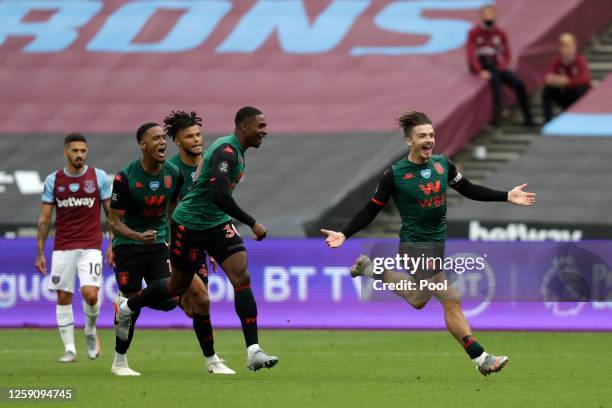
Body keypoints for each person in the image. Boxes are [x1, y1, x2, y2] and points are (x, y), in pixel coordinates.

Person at [321, 111, 536, 376]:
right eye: (422, 135)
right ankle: (480, 358)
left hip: (437, 245)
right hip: (413, 247)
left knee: (417, 298)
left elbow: (468, 189)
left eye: (432, 135)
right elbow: (371, 209)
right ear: (409, 141)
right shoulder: (395, 174)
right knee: (451, 298)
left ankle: (371, 269)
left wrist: (506, 196)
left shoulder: (442, 164)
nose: (429, 139)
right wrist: (345, 233)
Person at [114, 107, 278, 372]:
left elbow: (217, 200)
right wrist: (252, 222)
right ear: (243, 126)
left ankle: (253, 351)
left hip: (216, 223)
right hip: (189, 225)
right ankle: (129, 306)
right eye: (260, 126)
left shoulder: (235, 152)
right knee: (176, 289)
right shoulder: (225, 151)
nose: (265, 131)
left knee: (241, 276)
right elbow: (219, 196)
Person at [109, 122, 234, 376]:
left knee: (170, 300)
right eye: (155, 139)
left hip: (159, 245)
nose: (161, 142)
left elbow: (174, 211)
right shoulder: (125, 177)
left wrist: (181, 241)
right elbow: (113, 222)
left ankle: (128, 304)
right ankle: (119, 362)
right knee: (132, 314)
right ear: (143, 145)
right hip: (128, 248)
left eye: (163, 138)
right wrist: (136, 235)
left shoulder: (173, 174)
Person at [36, 133, 112, 363]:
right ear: (66, 152)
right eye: (75, 150)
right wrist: (40, 251)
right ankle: (70, 349)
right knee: (63, 296)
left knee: (90, 295)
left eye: (83, 151)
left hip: (91, 245)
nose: (79, 155)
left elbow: (111, 215)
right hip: (63, 246)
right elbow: (45, 219)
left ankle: (90, 329)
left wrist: (113, 244)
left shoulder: (98, 177)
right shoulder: (54, 180)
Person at [467, 4, 535, 127]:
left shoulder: (500, 33)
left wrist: (501, 67)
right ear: (482, 16)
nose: (489, 17)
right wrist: (479, 70)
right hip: (484, 65)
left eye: (491, 14)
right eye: (486, 14)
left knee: (518, 84)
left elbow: (507, 54)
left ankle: (528, 118)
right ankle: (497, 116)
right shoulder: (474, 33)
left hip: (496, 67)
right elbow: (471, 55)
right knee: (495, 83)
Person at [542, 33, 590, 123]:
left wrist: (568, 81)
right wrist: (557, 80)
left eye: (570, 46)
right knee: (547, 90)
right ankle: (547, 121)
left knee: (583, 88)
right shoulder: (558, 62)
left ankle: (580, 117)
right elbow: (548, 77)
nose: (568, 49)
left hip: (576, 95)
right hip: (565, 95)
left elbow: (585, 79)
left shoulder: (580, 60)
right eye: (565, 47)